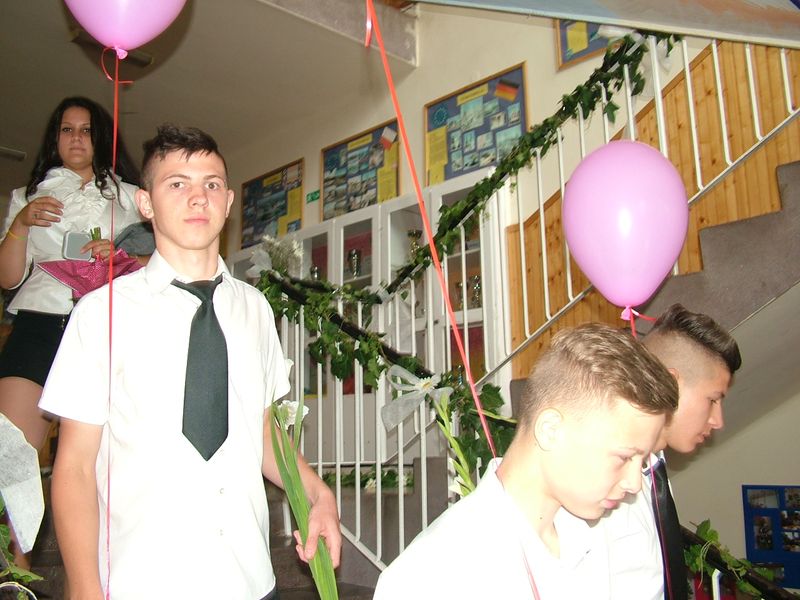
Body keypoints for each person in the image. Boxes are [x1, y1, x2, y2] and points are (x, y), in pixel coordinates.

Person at [40, 125, 341, 599]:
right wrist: (83, 587)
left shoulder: (255, 309)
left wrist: (318, 493)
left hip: (249, 579)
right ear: (145, 203)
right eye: (177, 183)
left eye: (212, 184)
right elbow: (74, 466)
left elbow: (262, 430)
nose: (198, 197)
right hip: (143, 581)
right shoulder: (100, 313)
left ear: (228, 202)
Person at [373, 323, 679, 599]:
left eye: (641, 461)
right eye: (624, 457)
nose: (634, 484)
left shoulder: (608, 535)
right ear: (550, 431)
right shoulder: (429, 578)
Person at [0, 96, 145, 454]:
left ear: (102, 138)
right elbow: (7, 279)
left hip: (104, 329)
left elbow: (169, 261)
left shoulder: (133, 198)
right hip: (38, 325)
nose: (76, 137)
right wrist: (20, 224)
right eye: (67, 129)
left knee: (96, 460)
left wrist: (123, 259)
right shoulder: (25, 197)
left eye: (86, 130)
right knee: (10, 456)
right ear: (55, 137)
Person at [598, 304, 741, 600]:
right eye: (713, 400)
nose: (718, 421)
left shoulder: (655, 469)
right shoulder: (600, 480)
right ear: (671, 383)